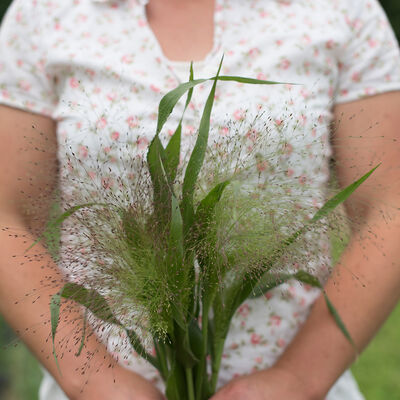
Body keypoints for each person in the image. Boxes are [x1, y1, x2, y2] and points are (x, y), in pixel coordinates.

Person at [0, 0, 400, 399]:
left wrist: (298, 379)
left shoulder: (341, 10)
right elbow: (7, 220)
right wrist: (95, 381)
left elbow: (389, 210)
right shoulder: (44, 12)